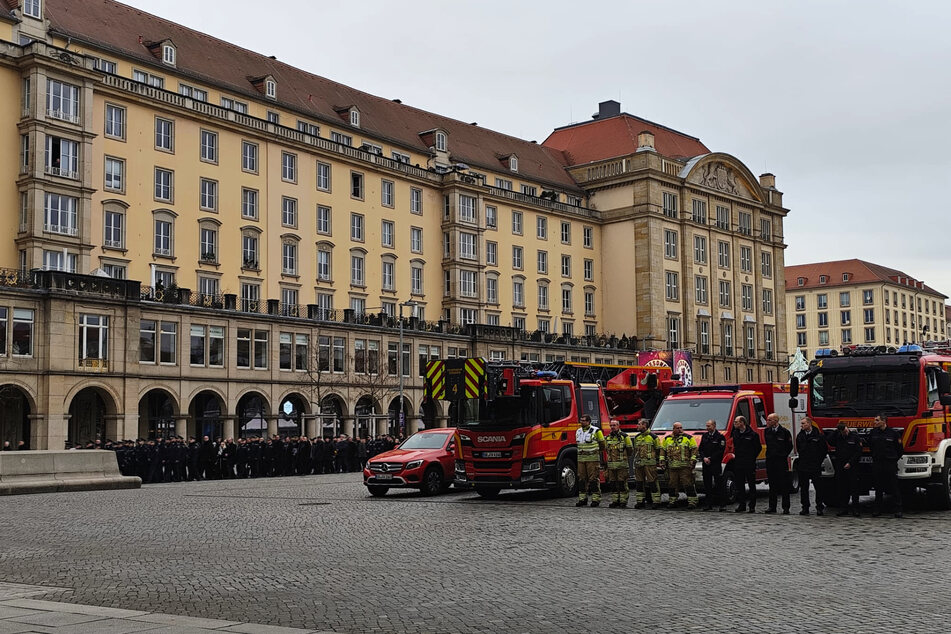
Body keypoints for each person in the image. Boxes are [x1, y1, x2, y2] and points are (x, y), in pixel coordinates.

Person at [868, 414, 903, 518]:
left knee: (894, 487)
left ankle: (898, 509)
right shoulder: (873, 433)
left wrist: (893, 458)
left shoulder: (893, 434)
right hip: (878, 463)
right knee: (878, 487)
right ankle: (877, 509)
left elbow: (899, 449)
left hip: (890, 463)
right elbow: (871, 446)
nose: (875, 422)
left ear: (884, 421)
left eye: (877, 420)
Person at [660, 422, 699, 509]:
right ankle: (672, 501)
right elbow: (663, 450)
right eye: (678, 428)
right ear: (673, 429)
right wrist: (662, 460)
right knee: (672, 485)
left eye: (681, 428)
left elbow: (694, 450)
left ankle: (692, 502)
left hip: (685, 467)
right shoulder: (667, 439)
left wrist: (693, 460)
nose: (680, 429)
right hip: (672, 467)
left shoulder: (688, 438)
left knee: (688, 484)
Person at [796, 417, 828, 515]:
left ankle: (819, 506)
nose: (801, 425)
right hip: (803, 465)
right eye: (801, 424)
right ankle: (805, 507)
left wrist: (818, 461)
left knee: (818, 487)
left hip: (815, 465)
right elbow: (799, 448)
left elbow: (823, 450)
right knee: (804, 488)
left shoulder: (818, 436)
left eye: (803, 423)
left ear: (809, 424)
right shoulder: (800, 436)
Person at [763, 413, 793, 514]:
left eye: (769, 420)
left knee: (784, 485)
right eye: (767, 420)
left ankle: (785, 507)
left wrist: (782, 455)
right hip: (771, 462)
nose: (767, 422)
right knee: (772, 486)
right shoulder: (767, 431)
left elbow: (789, 446)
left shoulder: (784, 432)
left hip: (781, 462)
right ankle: (772, 507)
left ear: (776, 421)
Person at [832, 422, 863, 517]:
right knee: (842, 488)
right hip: (840, 465)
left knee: (854, 488)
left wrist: (850, 463)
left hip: (852, 466)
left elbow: (858, 452)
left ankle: (855, 509)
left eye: (845, 430)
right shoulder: (838, 436)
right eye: (842, 431)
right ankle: (843, 508)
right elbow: (829, 440)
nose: (845, 433)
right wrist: (836, 431)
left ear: (847, 428)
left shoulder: (855, 437)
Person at [732, 415, 761, 513]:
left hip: (749, 463)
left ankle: (752, 505)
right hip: (739, 463)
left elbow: (758, 448)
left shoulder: (752, 434)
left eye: (736, 422)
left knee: (751, 485)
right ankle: (742, 504)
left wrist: (751, 457)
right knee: (740, 485)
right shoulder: (735, 433)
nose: (735, 423)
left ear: (742, 423)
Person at [575, 415, 606, 507]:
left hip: (592, 459)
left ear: (588, 421)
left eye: (583, 421)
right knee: (581, 479)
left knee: (593, 479)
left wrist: (596, 452)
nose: (581, 422)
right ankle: (582, 499)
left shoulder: (596, 431)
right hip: (581, 460)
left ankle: (596, 499)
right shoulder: (578, 431)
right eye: (581, 420)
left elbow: (602, 444)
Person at [631, 418, 662, 509]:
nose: (637, 426)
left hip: (650, 464)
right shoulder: (637, 437)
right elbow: (636, 450)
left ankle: (656, 501)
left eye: (639, 424)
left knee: (652, 483)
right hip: (639, 464)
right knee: (639, 483)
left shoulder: (653, 437)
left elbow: (658, 450)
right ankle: (640, 501)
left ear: (644, 425)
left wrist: (657, 461)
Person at [698, 419, 727, 511]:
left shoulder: (720, 437)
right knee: (707, 485)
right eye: (706, 426)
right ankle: (708, 504)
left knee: (719, 484)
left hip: (715, 464)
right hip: (706, 464)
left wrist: (710, 458)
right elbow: (701, 449)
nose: (707, 428)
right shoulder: (705, 436)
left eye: (709, 426)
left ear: (714, 426)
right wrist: (704, 458)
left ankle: (722, 504)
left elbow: (720, 451)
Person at [604, 419, 633, 508]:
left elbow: (630, 450)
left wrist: (623, 459)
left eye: (614, 425)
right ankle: (615, 500)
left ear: (618, 426)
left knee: (622, 483)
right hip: (611, 466)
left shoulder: (625, 437)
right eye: (611, 425)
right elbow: (606, 450)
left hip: (622, 466)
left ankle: (623, 501)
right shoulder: (608, 438)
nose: (612, 427)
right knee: (613, 484)